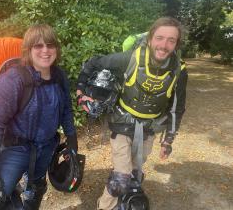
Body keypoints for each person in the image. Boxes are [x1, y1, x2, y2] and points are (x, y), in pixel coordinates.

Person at [76, 17, 188, 210]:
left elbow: (177, 107)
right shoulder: (131, 57)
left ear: (177, 44)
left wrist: (168, 140)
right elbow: (93, 62)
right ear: (151, 38)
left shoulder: (179, 70)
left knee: (135, 174)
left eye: (171, 40)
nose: (164, 45)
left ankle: (124, 202)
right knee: (121, 177)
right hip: (121, 123)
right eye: (160, 38)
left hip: (149, 128)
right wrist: (80, 91)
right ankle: (104, 207)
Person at [0, 24, 78, 210]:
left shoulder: (59, 77)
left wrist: (72, 139)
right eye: (38, 46)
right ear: (28, 50)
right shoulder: (13, 79)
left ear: (56, 49)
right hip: (15, 149)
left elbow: (66, 110)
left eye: (50, 45)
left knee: (36, 189)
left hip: (46, 147)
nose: (45, 51)